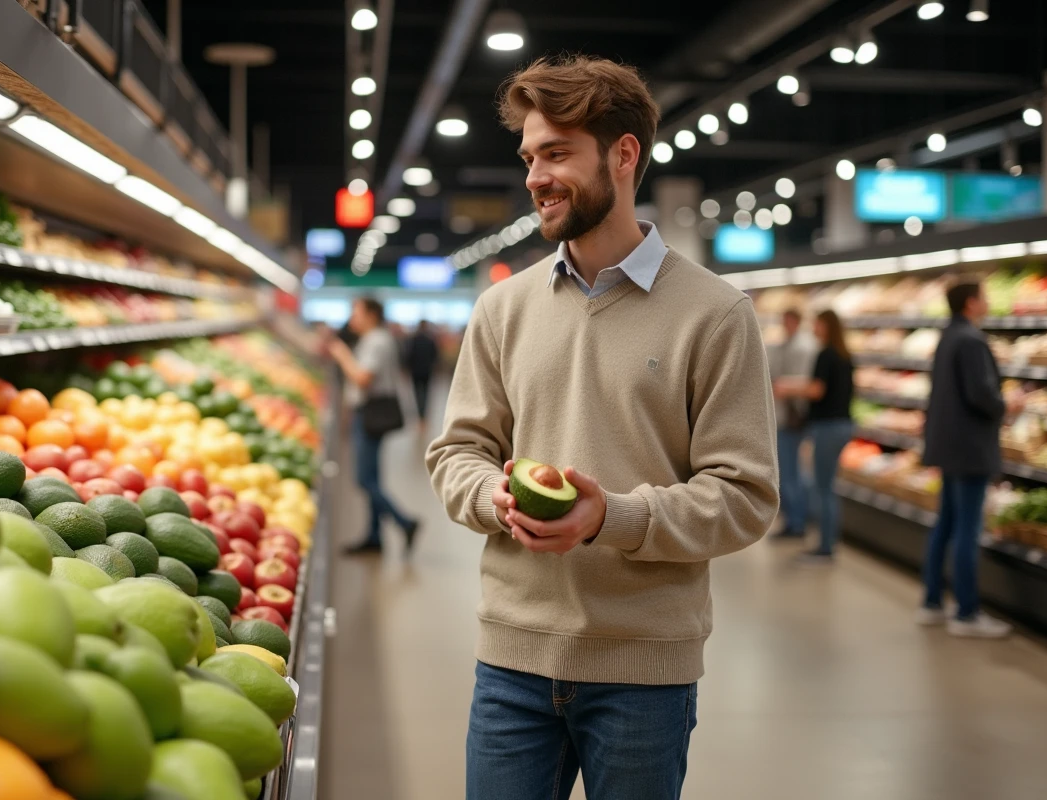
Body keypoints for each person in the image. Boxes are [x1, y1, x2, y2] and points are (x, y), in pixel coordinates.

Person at [425, 55, 779, 800]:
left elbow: (745, 495)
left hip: (644, 672)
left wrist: (608, 517)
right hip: (511, 665)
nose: (534, 176)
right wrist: (500, 498)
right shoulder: (504, 309)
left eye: (556, 153)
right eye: (529, 156)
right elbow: (457, 452)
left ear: (624, 155)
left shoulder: (715, 315)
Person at [919, 281, 1015, 638]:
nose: (987, 302)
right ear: (972, 302)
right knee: (966, 529)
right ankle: (966, 612)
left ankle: (931, 602)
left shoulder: (946, 337)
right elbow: (981, 395)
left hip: (948, 446)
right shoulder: (973, 341)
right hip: (971, 448)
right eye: (984, 297)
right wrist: (1008, 405)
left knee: (945, 522)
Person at [326, 297, 419, 556]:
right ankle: (374, 536)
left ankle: (405, 522)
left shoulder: (377, 340)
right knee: (373, 477)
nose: (351, 317)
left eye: (356, 312)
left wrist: (341, 354)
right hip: (366, 413)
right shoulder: (374, 339)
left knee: (364, 479)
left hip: (371, 415)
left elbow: (363, 378)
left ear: (371, 315)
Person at [775, 310, 855, 561]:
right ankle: (826, 541)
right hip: (843, 424)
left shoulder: (825, 354)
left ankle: (825, 546)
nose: (815, 329)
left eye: (818, 324)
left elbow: (817, 390)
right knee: (826, 484)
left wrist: (787, 387)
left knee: (823, 487)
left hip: (827, 427)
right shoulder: (844, 355)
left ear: (828, 326)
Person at [768, 308, 818, 539]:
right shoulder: (786, 344)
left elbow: (806, 383)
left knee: (791, 472)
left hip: (793, 418)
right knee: (792, 471)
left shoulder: (803, 346)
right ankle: (795, 519)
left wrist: (784, 387)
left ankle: (797, 522)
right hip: (787, 417)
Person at [406, 320, 440, 437]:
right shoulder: (430, 340)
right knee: (425, 394)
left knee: (417, 394)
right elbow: (435, 356)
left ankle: (420, 418)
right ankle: (423, 418)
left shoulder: (413, 340)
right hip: (427, 371)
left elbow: (409, 356)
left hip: (416, 372)